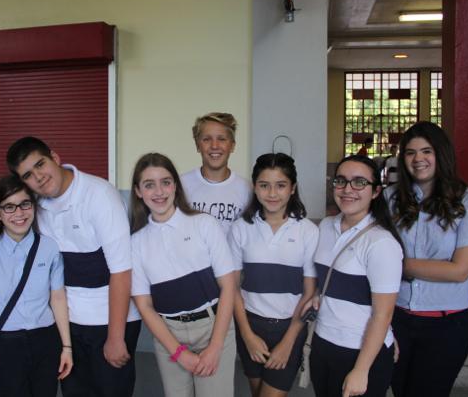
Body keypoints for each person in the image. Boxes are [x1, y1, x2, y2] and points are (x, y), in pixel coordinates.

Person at [0, 137, 141, 397]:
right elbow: (13, 223)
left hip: (108, 323)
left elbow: (121, 271)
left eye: (41, 164)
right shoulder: (37, 205)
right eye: (28, 175)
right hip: (68, 326)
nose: (39, 177)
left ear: (55, 156)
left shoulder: (99, 195)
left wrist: (116, 337)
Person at [386, 121, 468, 397]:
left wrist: (399, 266)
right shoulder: (389, 199)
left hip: (446, 327)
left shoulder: (467, 202)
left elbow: (460, 270)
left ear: (441, 154)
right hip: (396, 319)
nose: (418, 159)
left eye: (426, 151)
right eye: (410, 152)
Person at [129, 153, 237, 397]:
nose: (159, 191)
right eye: (149, 184)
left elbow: (229, 287)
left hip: (213, 327)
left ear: (175, 186)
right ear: (138, 191)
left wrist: (216, 346)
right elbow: (144, 305)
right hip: (168, 334)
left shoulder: (204, 224)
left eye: (165, 182)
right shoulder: (136, 242)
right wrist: (177, 352)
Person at [308, 155, 403, 397]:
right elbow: (327, 277)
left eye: (359, 182)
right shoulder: (326, 226)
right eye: (341, 181)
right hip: (323, 342)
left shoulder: (381, 243)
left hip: (360, 352)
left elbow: (383, 314)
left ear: (375, 192)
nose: (348, 189)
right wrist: (319, 295)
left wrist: (361, 370)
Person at [0, 175, 73, 396]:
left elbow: (57, 298)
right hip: (6, 344)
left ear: (33, 206)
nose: (19, 213)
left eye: (25, 204)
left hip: (45, 340)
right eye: (9, 207)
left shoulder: (49, 247)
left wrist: (67, 347)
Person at [229, 153, 318, 397]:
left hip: (289, 327)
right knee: (255, 391)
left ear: (293, 189)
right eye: (264, 185)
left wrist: (288, 342)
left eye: (281, 185)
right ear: (254, 187)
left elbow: (309, 292)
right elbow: (233, 287)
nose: (272, 193)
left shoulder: (308, 231)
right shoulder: (241, 228)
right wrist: (247, 336)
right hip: (250, 324)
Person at [181, 112, 251, 233]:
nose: (214, 146)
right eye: (207, 139)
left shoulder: (247, 190)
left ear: (232, 145)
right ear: (198, 145)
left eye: (222, 139)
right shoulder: (181, 185)